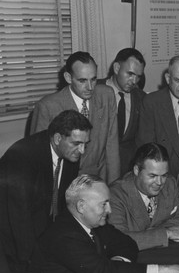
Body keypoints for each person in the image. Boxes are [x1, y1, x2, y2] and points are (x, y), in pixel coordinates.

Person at [22, 175, 179, 273]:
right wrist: (165, 270)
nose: (109, 211)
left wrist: (118, 260)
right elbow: (105, 271)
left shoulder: (93, 223)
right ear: (81, 207)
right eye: (104, 204)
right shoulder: (63, 236)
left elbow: (127, 242)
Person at [0, 110, 91, 273]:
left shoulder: (69, 154)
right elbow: (18, 216)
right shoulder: (22, 157)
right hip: (10, 239)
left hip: (39, 228)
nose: (82, 150)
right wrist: (34, 261)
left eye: (85, 144)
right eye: (77, 143)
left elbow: (63, 205)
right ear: (57, 138)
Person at [30, 51, 120, 183]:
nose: (90, 87)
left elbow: (112, 146)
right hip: (64, 182)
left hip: (97, 179)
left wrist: (114, 187)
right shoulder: (47, 106)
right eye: (82, 80)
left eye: (93, 79)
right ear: (68, 77)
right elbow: (38, 157)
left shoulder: (106, 95)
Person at [109, 143, 179, 251]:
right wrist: (166, 234)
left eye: (164, 175)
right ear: (136, 170)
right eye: (152, 176)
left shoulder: (169, 184)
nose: (160, 182)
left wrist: (158, 231)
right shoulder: (115, 194)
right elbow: (118, 240)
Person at [136, 55, 179, 178]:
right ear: (168, 78)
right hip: (162, 178)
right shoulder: (151, 103)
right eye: (177, 80)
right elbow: (146, 149)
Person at [98, 48, 146, 175]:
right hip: (96, 167)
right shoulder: (95, 90)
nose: (134, 81)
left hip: (126, 169)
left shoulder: (141, 98)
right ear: (116, 68)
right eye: (130, 74)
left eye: (138, 76)